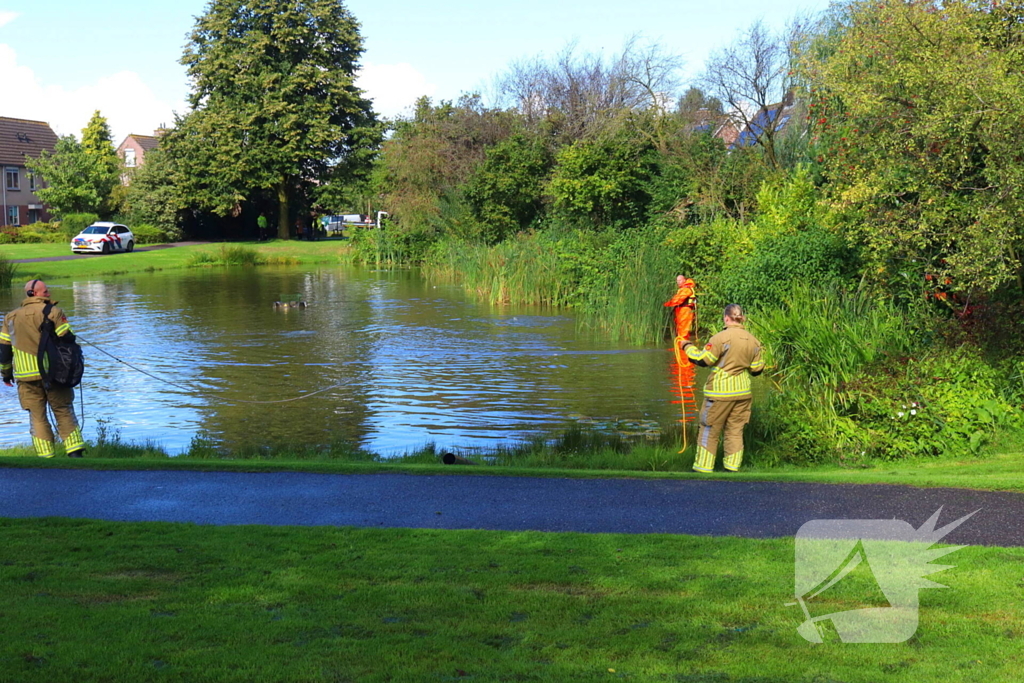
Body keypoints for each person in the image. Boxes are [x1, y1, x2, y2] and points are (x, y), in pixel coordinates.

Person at [0, 280, 86, 458]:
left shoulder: (10, 317)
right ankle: (75, 453)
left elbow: (4, 350)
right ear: (34, 294)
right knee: (63, 410)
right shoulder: (54, 312)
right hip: (54, 373)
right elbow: (67, 338)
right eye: (45, 292)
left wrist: (6, 374)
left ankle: (46, 458)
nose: (48, 294)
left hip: (25, 376)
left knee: (37, 417)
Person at [682, 304, 764, 473]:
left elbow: (703, 360)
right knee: (735, 431)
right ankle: (732, 468)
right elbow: (757, 370)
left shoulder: (720, 338)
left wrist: (686, 346)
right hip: (743, 393)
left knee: (709, 428)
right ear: (742, 318)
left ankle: (703, 468)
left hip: (719, 393)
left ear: (726, 318)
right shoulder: (754, 340)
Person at [664, 275, 697, 342]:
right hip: (681, 311)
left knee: (684, 329)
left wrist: (666, 304)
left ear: (684, 280)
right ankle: (681, 343)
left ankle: (682, 344)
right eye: (677, 281)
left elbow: (678, 300)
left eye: (680, 280)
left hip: (685, 311)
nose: (678, 282)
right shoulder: (682, 289)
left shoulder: (686, 289)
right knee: (680, 329)